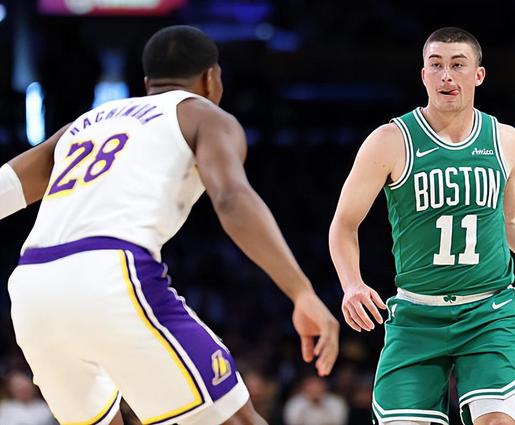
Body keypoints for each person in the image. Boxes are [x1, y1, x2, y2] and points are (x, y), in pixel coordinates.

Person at [1, 25, 339, 425]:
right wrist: (301, 292)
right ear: (212, 78)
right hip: (111, 272)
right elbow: (231, 199)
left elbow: (7, 188)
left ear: (148, 83)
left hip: (32, 288)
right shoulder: (202, 114)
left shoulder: (85, 124)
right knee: (233, 419)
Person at [329, 27, 515, 425]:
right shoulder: (390, 140)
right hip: (417, 314)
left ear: (478, 75)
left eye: (458, 65)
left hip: (488, 311)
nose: (446, 75)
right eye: (436, 65)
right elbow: (344, 224)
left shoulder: (504, 139)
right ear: (423, 75)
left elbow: (511, 221)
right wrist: (352, 284)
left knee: (497, 420)